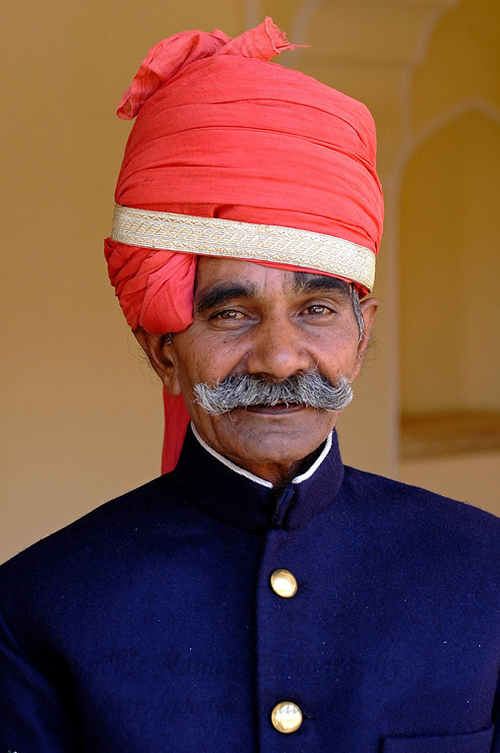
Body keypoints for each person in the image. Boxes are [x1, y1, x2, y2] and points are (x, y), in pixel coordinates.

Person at [0, 18, 499, 753]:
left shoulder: (483, 571)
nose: (282, 357)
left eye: (317, 309)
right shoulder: (41, 608)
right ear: (162, 351)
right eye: (232, 313)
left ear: (362, 338)